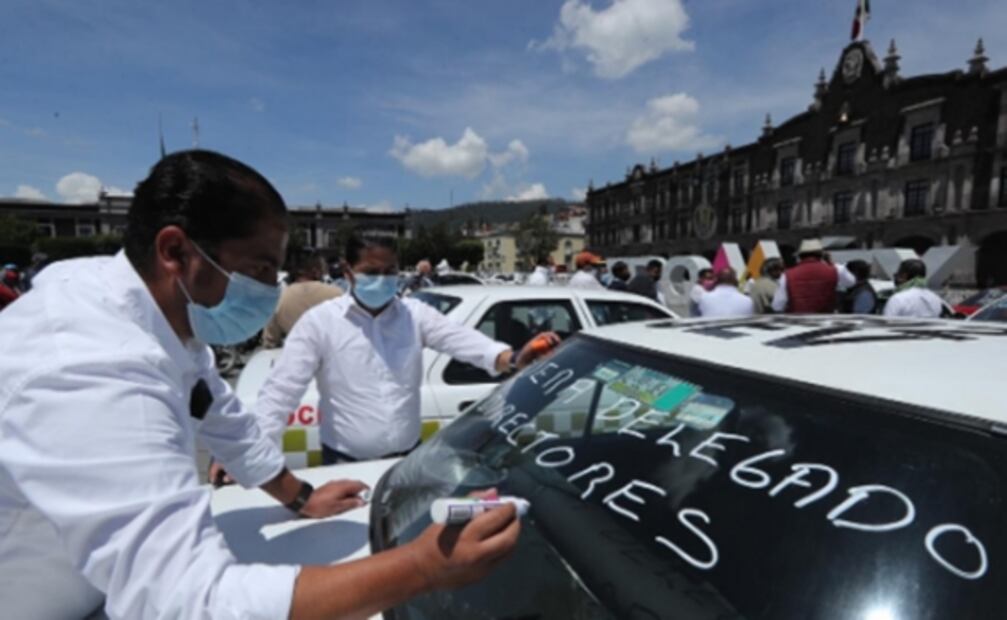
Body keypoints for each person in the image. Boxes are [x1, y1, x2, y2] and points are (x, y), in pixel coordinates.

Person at [0, 150, 520, 619]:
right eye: (260, 269)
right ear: (176, 251)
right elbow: (190, 601)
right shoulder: (90, 364)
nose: (271, 290)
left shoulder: (156, 321)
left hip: (93, 588)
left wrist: (299, 498)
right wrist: (424, 568)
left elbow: (223, 415)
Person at [253, 233, 561, 465]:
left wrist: (515, 358)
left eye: (390, 271)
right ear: (348, 272)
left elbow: (463, 340)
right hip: (345, 463)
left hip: (406, 460)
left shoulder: (414, 314)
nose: (382, 280)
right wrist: (252, 454)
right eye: (371, 272)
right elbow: (281, 391)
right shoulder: (320, 322)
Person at [262, 251, 343, 348]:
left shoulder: (279, 299)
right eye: (322, 270)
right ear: (316, 272)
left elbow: (270, 341)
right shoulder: (337, 294)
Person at [772, 239, 855, 313]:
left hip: (797, 323)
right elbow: (851, 282)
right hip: (826, 321)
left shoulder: (787, 275)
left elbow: (777, 306)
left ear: (800, 256)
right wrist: (831, 263)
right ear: (821, 255)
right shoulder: (834, 270)